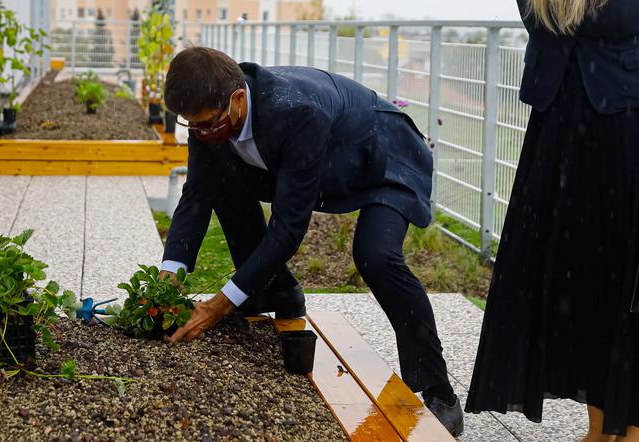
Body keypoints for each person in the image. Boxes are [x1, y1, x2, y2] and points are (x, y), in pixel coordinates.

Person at [156, 46, 464, 436]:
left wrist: (220, 304)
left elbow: (288, 228)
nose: (201, 133)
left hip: (384, 161)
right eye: (192, 126)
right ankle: (277, 294)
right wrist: (170, 275)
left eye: (208, 124)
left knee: (375, 256)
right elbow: (196, 194)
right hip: (323, 160)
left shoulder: (295, 110)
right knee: (220, 183)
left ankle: (439, 389)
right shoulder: (210, 113)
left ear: (237, 98)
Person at [466, 0, 639, 440]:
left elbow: (621, 19)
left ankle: (629, 427)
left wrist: (573, 10)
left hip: (622, 122)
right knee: (576, 282)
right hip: (558, 123)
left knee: (624, 281)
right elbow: (535, 13)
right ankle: (599, 426)